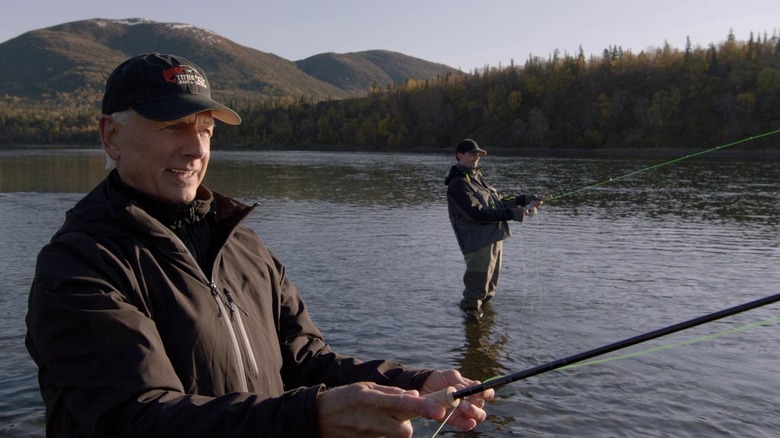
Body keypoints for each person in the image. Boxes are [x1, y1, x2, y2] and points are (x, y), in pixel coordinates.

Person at [25, 53, 493, 437]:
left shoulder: (242, 244)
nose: (196, 149)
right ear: (111, 135)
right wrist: (311, 416)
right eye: (172, 127)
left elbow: (306, 359)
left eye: (205, 129)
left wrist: (413, 384)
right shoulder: (78, 265)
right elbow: (136, 418)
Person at [444, 139, 541, 321]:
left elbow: (498, 203)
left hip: (494, 239)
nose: (477, 157)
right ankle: (473, 335)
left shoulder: (478, 179)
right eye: (473, 153)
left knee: (489, 290)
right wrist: (512, 214)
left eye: (478, 154)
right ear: (459, 155)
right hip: (477, 244)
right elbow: (476, 214)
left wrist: (522, 199)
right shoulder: (458, 184)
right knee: (475, 294)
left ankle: (484, 329)